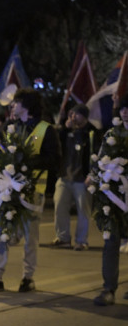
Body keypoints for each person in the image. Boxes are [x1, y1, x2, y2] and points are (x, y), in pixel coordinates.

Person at [0, 88, 60, 293]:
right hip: (8, 188)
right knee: (1, 229)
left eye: (16, 102)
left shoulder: (46, 130)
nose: (12, 105)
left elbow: (55, 160)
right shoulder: (10, 126)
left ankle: (27, 277)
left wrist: (26, 163)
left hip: (32, 191)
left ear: (27, 105)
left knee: (30, 235)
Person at [91, 94, 128, 306]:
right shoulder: (111, 134)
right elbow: (101, 159)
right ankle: (108, 288)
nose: (124, 111)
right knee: (111, 241)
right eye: (122, 108)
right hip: (113, 196)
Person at [52, 104, 99, 251]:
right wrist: (65, 128)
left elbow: (98, 155)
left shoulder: (92, 133)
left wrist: (92, 174)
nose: (73, 117)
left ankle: (81, 240)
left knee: (83, 210)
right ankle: (63, 238)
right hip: (64, 177)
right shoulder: (66, 131)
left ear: (84, 116)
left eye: (76, 114)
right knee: (60, 206)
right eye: (71, 114)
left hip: (82, 179)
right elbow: (55, 144)